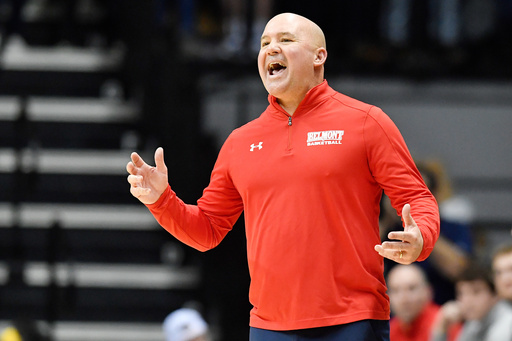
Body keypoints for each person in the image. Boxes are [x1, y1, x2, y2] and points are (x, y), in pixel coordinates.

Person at [127, 12, 440, 341]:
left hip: (352, 319)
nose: (271, 49)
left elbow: (416, 197)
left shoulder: (366, 122)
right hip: (269, 327)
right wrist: (161, 200)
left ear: (319, 56)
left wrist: (421, 238)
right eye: (264, 43)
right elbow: (207, 230)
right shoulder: (240, 142)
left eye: (286, 40)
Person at [380, 161, 473, 304]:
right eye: (403, 192)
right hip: (394, 317)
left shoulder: (454, 227)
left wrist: (422, 229)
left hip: (441, 311)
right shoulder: (388, 228)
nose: (409, 200)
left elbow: (459, 270)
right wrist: (387, 217)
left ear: (435, 196)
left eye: (417, 192)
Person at [430, 263, 512, 341]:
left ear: (495, 295)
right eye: (461, 293)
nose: (467, 301)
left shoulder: (507, 324)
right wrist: (442, 326)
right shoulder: (474, 322)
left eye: (476, 292)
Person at [387, 264, 440, 341]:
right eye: (396, 291)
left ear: (428, 291)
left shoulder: (443, 324)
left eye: (411, 289)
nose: (404, 299)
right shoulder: (390, 331)